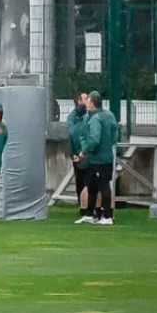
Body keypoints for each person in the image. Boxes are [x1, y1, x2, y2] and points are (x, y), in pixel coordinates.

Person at [75, 92, 119, 226]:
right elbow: (115, 133)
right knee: (92, 187)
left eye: (88, 100)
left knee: (104, 186)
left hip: (98, 159)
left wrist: (85, 150)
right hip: (105, 157)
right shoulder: (109, 115)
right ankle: (89, 214)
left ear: (92, 103)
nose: (86, 103)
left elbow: (94, 139)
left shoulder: (95, 119)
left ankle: (107, 216)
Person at [68, 92, 93, 223]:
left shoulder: (91, 116)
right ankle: (83, 206)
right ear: (78, 101)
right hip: (79, 154)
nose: (86, 101)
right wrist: (74, 154)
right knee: (80, 181)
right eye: (84, 98)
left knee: (89, 182)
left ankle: (90, 208)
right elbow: (72, 135)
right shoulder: (73, 118)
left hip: (87, 154)